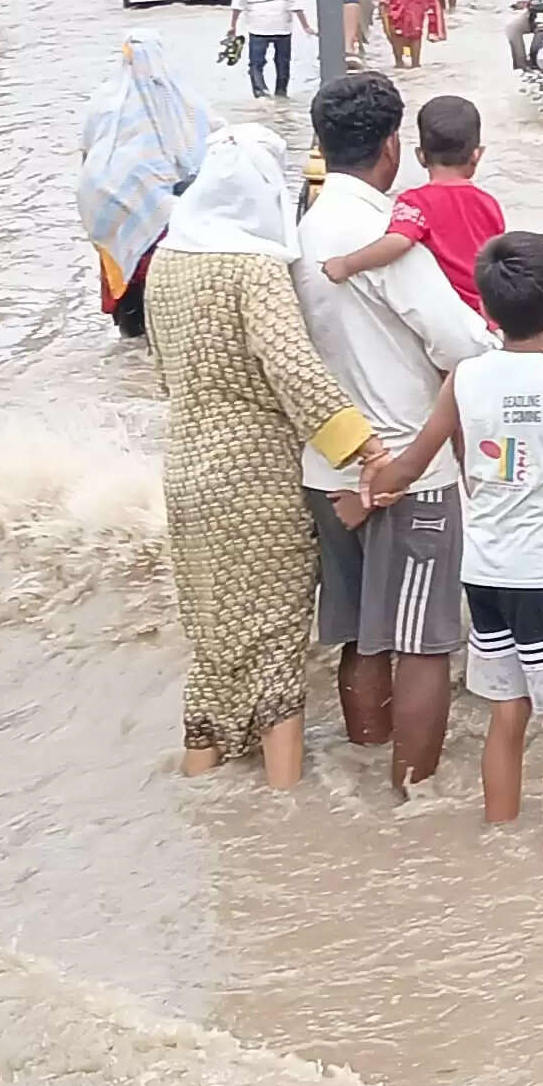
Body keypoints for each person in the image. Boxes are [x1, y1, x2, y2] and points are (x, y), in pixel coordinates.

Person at [143, 123, 378, 789]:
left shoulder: (170, 258)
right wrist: (361, 444)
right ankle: (283, 807)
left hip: (185, 467)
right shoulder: (254, 266)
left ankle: (204, 792)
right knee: (276, 642)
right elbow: (293, 367)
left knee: (215, 645)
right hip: (256, 479)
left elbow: (163, 370)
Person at [356, 232, 543, 851]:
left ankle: (498, 839)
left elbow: (411, 465)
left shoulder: (464, 379)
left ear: (487, 311)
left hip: (485, 574)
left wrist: (372, 482)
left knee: (506, 712)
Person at [295, 72, 494, 793]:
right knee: (422, 643)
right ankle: (415, 799)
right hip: (412, 470)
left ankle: (361, 777)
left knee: (358, 630)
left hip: (328, 464)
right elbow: (464, 345)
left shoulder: (303, 230)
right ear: (390, 148)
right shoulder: (388, 234)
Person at [80, 30, 219, 337]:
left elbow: (89, 160)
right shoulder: (185, 101)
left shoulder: (105, 103)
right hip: (175, 225)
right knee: (177, 318)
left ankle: (130, 358)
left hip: (121, 218)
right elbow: (217, 153)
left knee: (132, 319)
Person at [323, 94, 510, 317]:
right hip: (487, 311)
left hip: (447, 312)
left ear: (421, 156)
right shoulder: (489, 203)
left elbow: (398, 241)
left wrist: (347, 265)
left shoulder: (415, 202)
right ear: (476, 155)